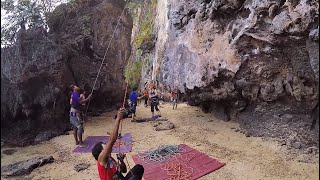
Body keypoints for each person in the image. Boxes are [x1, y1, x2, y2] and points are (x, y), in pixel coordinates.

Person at [92, 108, 144, 180]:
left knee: (138, 168)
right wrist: (118, 119)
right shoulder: (101, 160)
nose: (108, 148)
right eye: (105, 148)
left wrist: (121, 160)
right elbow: (112, 140)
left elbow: (124, 170)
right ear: (101, 153)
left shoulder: (111, 159)